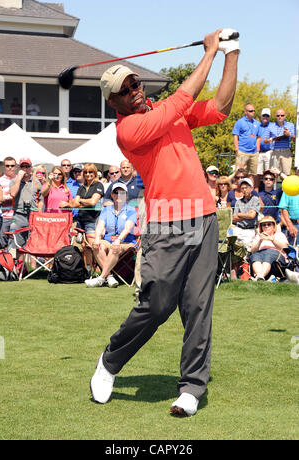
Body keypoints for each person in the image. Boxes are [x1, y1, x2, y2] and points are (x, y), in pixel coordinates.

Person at [89, 28, 240, 417]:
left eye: (136, 82)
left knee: (197, 305)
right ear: (114, 102)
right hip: (167, 225)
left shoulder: (164, 109)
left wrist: (230, 53)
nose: (135, 89)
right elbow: (182, 99)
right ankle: (109, 362)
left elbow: (220, 105)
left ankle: (191, 387)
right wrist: (208, 52)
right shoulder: (129, 130)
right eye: (126, 89)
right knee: (156, 305)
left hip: (203, 217)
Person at [85, 183, 137, 288]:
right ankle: (109, 277)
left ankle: (101, 278)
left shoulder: (131, 210)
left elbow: (127, 228)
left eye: (122, 193)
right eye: (116, 192)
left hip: (126, 242)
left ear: (126, 195)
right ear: (112, 195)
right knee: (97, 245)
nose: (118, 195)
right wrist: (96, 238)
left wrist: (118, 240)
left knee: (115, 247)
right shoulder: (106, 209)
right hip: (108, 240)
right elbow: (100, 226)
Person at [72, 163, 105, 272]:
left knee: (94, 246)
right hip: (80, 220)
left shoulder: (98, 185)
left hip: (92, 220)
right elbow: (75, 203)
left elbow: (93, 201)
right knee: (84, 247)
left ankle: (104, 271)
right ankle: (88, 271)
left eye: (90, 172)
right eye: (85, 172)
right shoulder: (82, 187)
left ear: (95, 173)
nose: (88, 174)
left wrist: (81, 201)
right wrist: (80, 202)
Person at [10, 157, 44, 251]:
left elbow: (41, 199)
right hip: (19, 214)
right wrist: (19, 179)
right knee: (18, 244)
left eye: (27, 166)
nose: (25, 169)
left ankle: (32, 266)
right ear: (19, 168)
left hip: (33, 214)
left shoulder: (36, 181)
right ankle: (20, 265)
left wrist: (39, 212)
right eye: (22, 166)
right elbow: (13, 193)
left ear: (31, 167)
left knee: (33, 242)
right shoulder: (14, 181)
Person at [250, 216, 288, 280]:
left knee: (268, 254)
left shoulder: (279, 234)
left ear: (273, 226)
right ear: (261, 227)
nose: (266, 226)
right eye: (264, 225)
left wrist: (272, 240)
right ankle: (259, 276)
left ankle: (261, 275)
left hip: (277, 256)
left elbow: (285, 248)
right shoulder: (258, 236)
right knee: (255, 256)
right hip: (260, 253)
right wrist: (260, 241)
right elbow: (252, 251)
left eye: (269, 224)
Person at [232, 104, 260, 184]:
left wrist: (257, 150)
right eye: (251, 111)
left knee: (252, 174)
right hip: (242, 152)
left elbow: (258, 137)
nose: (253, 112)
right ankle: (237, 190)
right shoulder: (240, 122)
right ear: (245, 112)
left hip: (254, 153)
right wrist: (237, 149)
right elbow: (235, 135)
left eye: (254, 111)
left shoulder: (257, 123)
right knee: (239, 172)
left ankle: (250, 191)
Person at [263, 109, 296, 176]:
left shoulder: (290, 125)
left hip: (286, 152)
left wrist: (288, 134)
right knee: (273, 173)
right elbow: (265, 140)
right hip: (274, 152)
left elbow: (295, 139)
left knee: (286, 174)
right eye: (278, 115)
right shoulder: (271, 126)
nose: (280, 117)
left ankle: (284, 187)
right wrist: (272, 139)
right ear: (275, 116)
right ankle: (273, 187)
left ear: (285, 116)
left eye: (282, 115)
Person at [232, 178, 260, 252]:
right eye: (242, 188)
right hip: (238, 228)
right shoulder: (238, 202)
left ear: (251, 188)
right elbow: (234, 218)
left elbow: (252, 216)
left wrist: (240, 214)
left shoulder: (255, 199)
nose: (244, 190)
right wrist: (246, 215)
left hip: (249, 229)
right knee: (234, 249)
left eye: (246, 188)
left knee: (246, 250)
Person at [0, 157, 17, 249]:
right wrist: (9, 197)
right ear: (4, 167)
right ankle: (3, 263)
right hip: (4, 216)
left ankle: (17, 263)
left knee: (17, 244)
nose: (10, 168)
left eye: (12, 165)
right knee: (2, 243)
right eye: (7, 166)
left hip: (18, 216)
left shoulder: (20, 180)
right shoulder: (0, 180)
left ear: (16, 166)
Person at [278, 167, 299, 246]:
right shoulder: (289, 189)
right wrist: (290, 225)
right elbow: (284, 209)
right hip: (294, 225)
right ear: (297, 173)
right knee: (292, 252)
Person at [256, 108, 273, 188]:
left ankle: (269, 191)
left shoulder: (272, 126)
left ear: (269, 117)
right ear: (261, 116)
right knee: (257, 173)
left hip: (269, 151)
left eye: (267, 116)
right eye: (264, 115)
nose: (265, 117)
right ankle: (256, 192)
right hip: (258, 152)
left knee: (269, 173)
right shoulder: (257, 126)